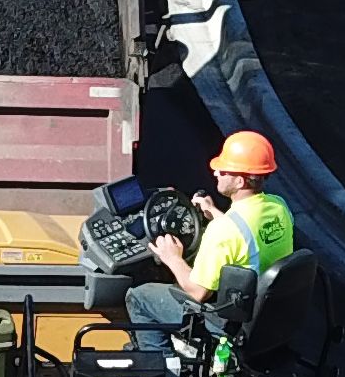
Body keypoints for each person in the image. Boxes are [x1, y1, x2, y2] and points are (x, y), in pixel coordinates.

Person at [126, 130, 295, 347]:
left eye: (223, 171)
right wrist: (213, 211)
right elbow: (247, 234)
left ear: (240, 181)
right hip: (266, 313)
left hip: (232, 322)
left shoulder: (222, 230)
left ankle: (165, 374)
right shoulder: (278, 206)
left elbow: (198, 293)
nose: (215, 173)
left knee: (139, 297)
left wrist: (173, 258)